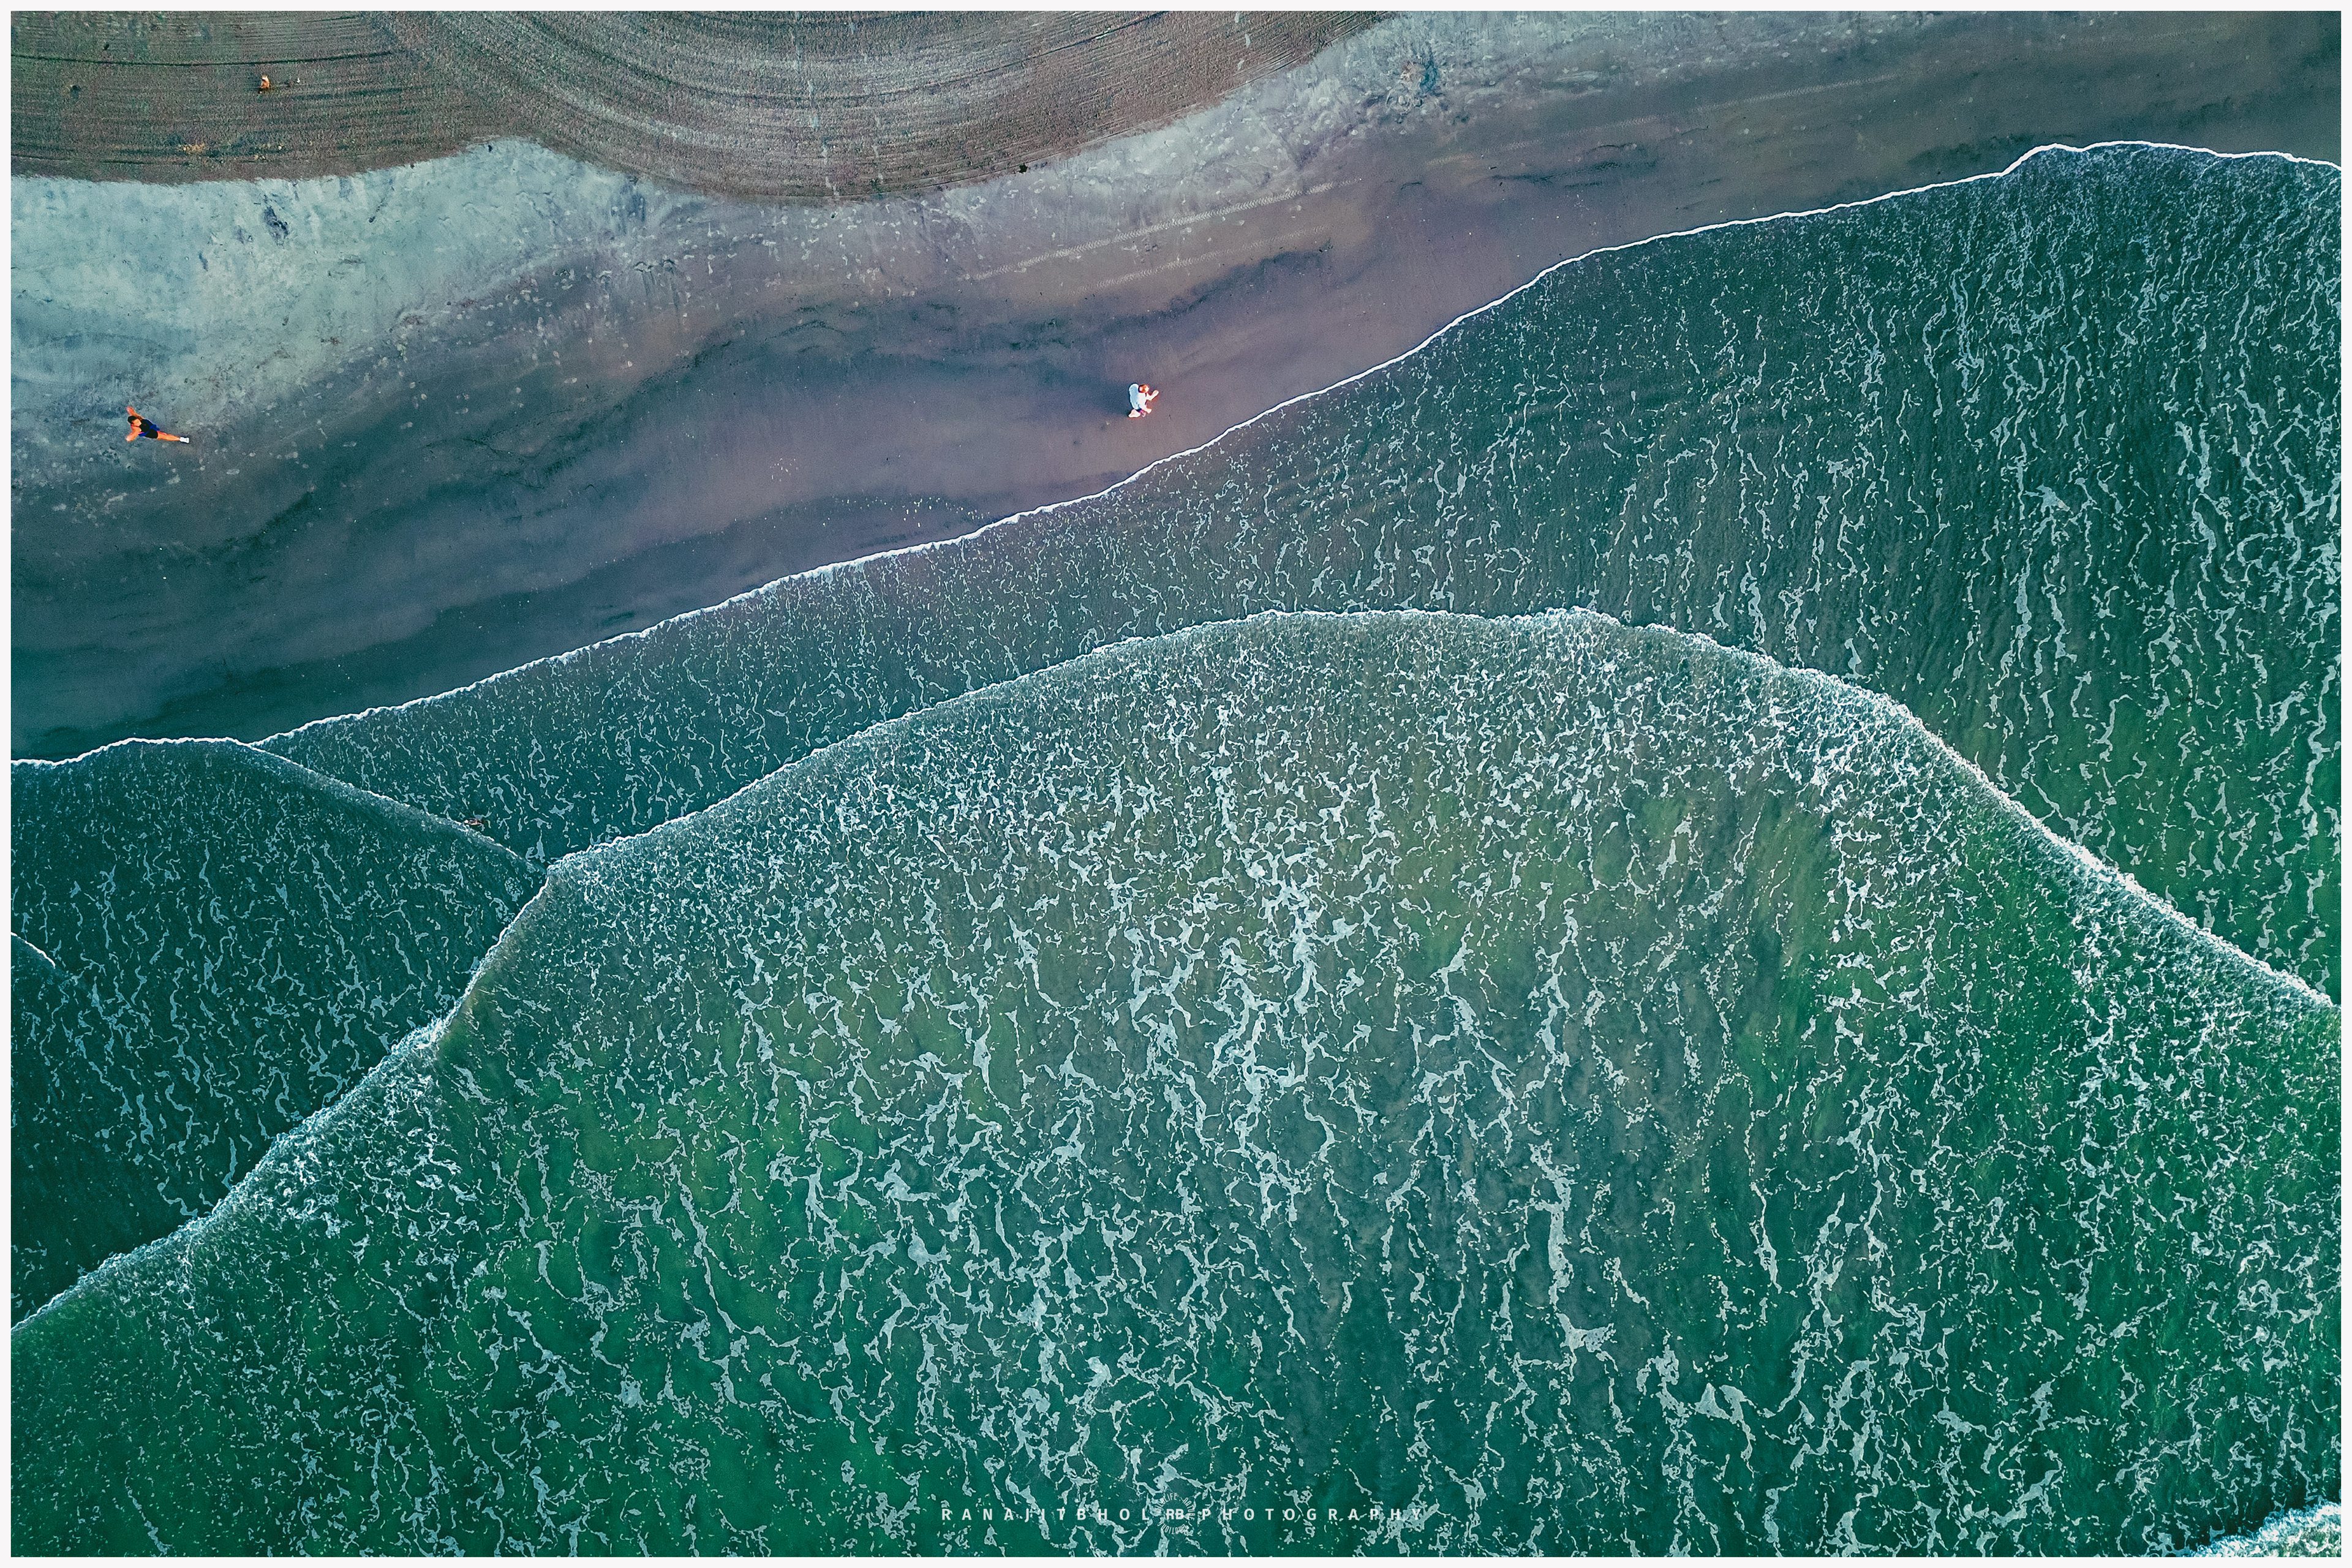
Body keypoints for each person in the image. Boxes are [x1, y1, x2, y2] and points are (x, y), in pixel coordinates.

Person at [124, 406, 192, 444]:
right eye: (137, 423)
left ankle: (158, 429)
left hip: (149, 425)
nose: (139, 423)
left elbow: (131, 411)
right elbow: (131, 437)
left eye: (139, 421)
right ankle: (181, 439)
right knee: (165, 436)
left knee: (159, 430)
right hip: (149, 432)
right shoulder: (136, 429)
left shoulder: (136, 417)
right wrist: (129, 438)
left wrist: (129, 409)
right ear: (133, 424)